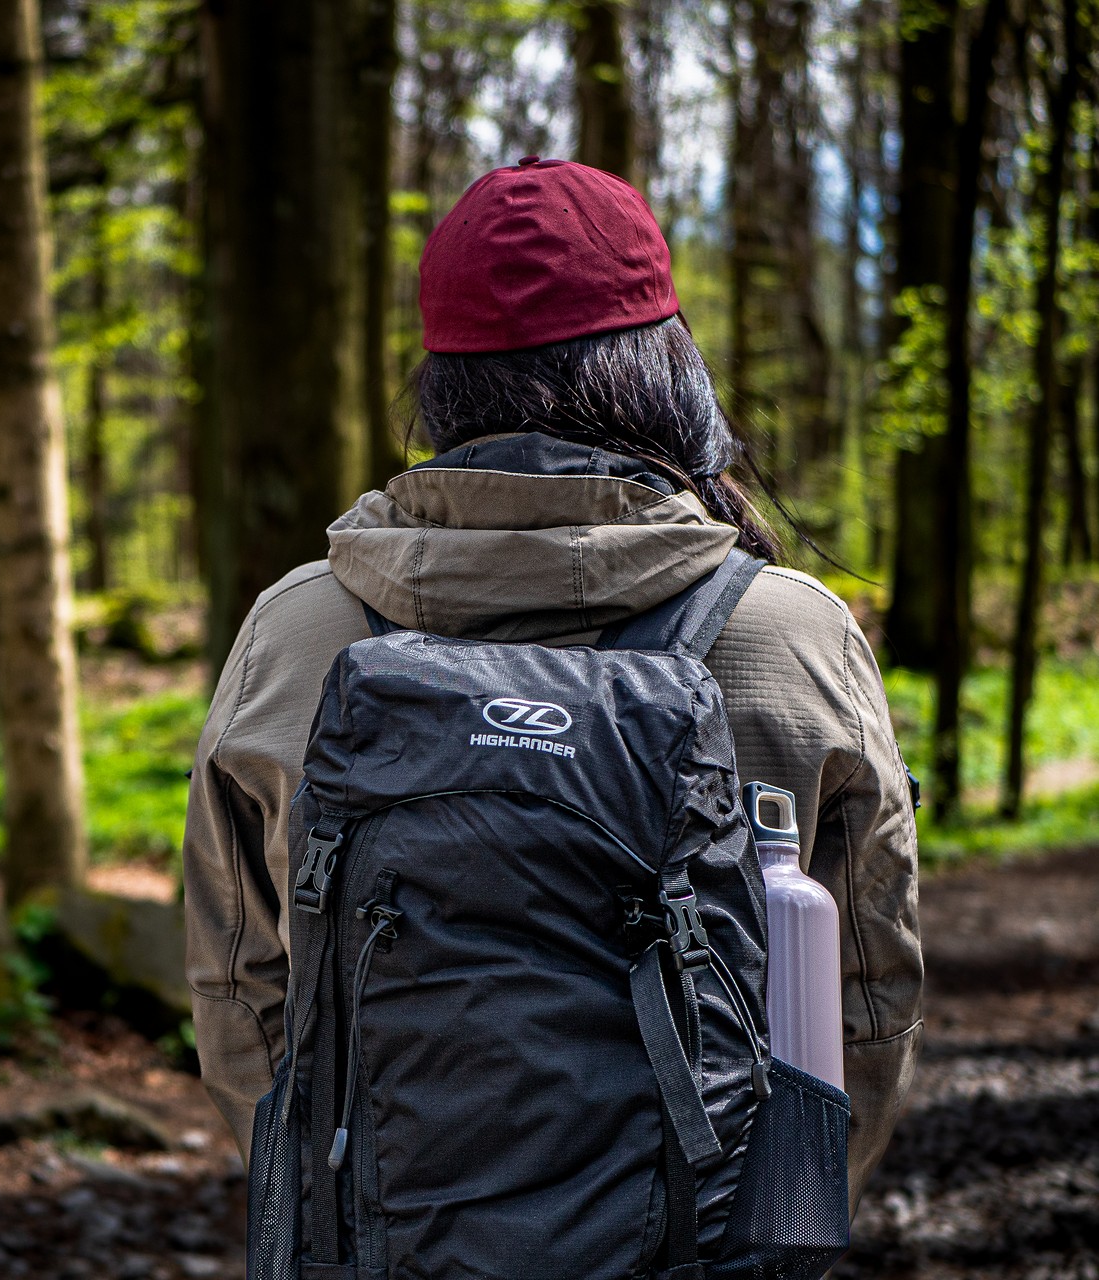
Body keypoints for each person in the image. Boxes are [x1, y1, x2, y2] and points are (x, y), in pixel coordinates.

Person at [181, 157, 922, 1216]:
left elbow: (238, 989)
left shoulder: (296, 634)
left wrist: (340, 1214)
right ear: (667, 369)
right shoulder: (788, 635)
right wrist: (778, 1220)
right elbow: (870, 997)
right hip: (711, 1238)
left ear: (440, 382)